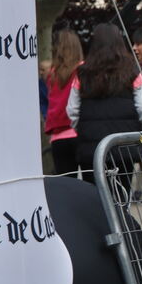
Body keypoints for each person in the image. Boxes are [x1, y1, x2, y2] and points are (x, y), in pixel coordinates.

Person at [67, 23, 142, 179]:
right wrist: (138, 129)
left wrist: (83, 130)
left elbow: (72, 109)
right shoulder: (132, 69)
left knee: (93, 195)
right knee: (122, 197)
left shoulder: (82, 72)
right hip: (124, 145)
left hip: (92, 148)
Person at [45, 28, 83, 176]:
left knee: (67, 183)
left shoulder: (52, 74)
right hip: (77, 131)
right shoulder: (81, 70)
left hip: (57, 137)